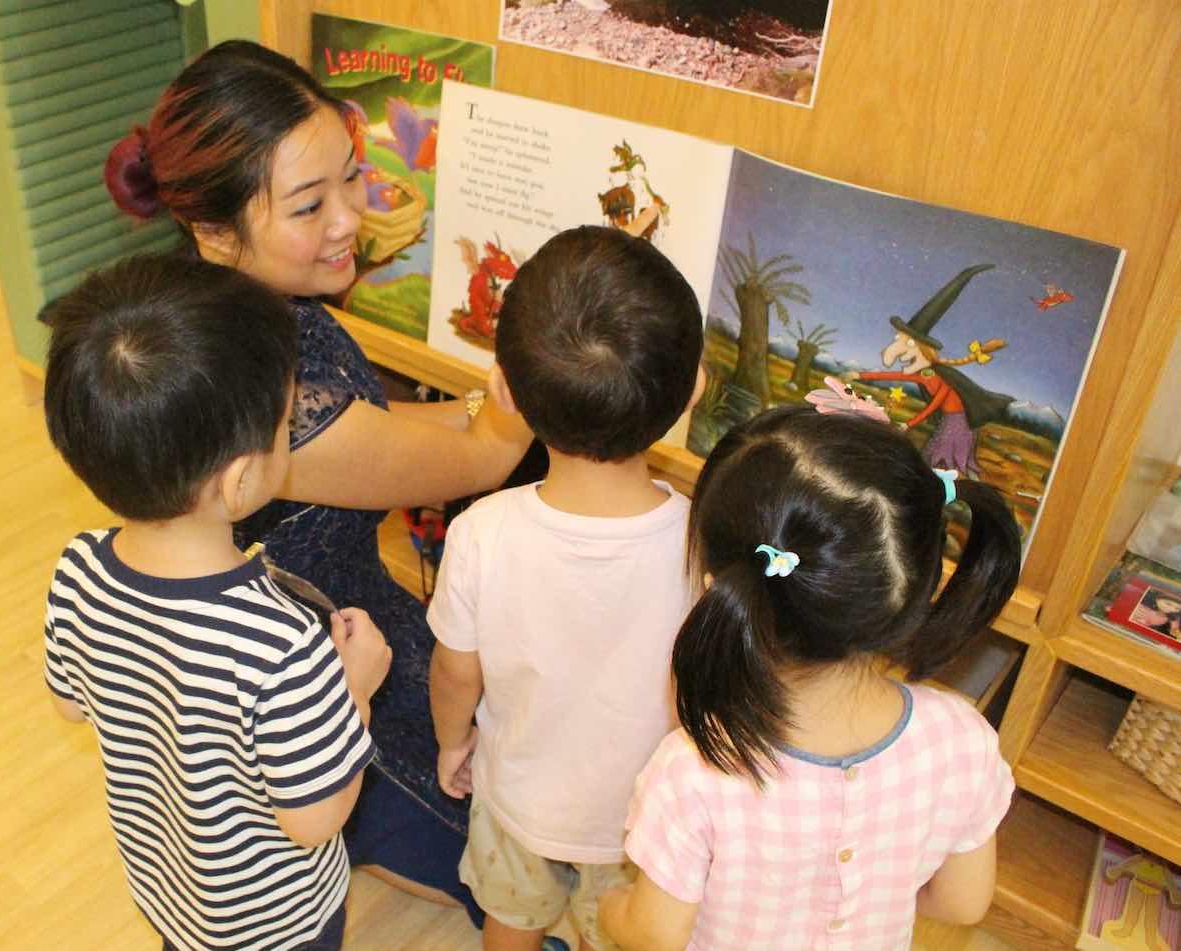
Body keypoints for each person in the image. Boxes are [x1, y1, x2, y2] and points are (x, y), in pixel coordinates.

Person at [103, 40, 534, 920]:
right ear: (215, 232)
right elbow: (475, 458)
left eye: (350, 175)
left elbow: (368, 429)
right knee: (514, 865)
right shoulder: (262, 380)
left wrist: (463, 412)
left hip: (343, 612)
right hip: (322, 668)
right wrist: (534, 395)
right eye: (309, 204)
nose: (349, 217)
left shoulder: (231, 311)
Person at [41, 255, 393, 950]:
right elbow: (317, 817)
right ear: (238, 482)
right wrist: (355, 689)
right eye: (286, 424)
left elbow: (71, 703)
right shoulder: (283, 643)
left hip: (170, 892)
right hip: (279, 923)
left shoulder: (77, 569)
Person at [599, 405, 1023, 951]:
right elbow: (963, 903)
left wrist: (609, 908)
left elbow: (653, 936)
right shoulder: (964, 740)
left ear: (719, 591)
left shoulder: (696, 769)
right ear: (915, 591)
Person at [428, 225, 706, 951]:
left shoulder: (480, 533)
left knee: (511, 917)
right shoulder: (705, 546)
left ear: (503, 392)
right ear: (693, 390)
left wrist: (451, 741)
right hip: (643, 825)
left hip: (517, 798)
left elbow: (457, 672)